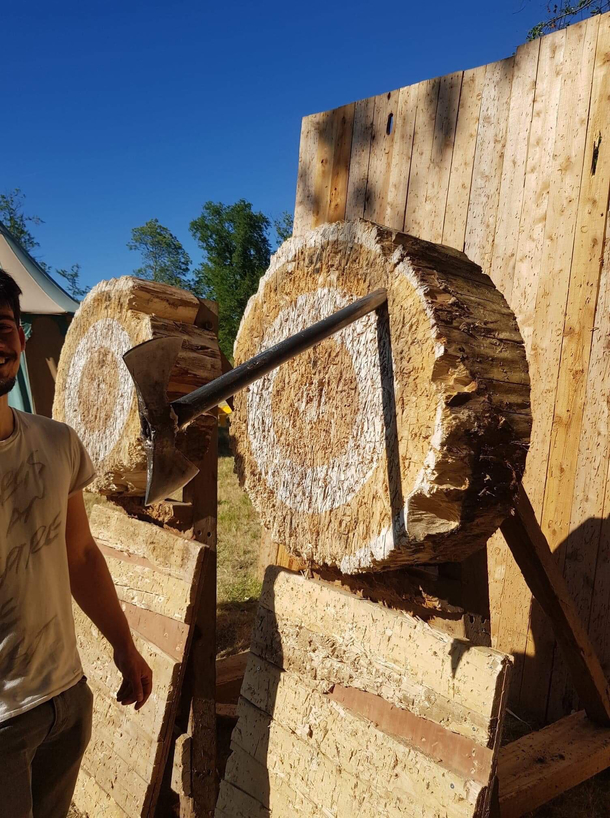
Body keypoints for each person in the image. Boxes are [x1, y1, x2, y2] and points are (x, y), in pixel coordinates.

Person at [0, 269, 153, 818]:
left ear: (21, 338)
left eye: (3, 328)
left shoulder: (57, 441)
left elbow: (81, 553)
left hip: (65, 698)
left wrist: (123, 645)